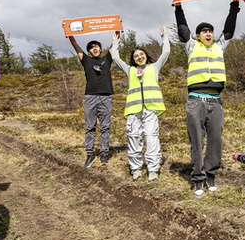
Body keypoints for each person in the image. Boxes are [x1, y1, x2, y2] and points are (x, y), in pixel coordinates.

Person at [175, 0, 241, 196]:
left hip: (215, 101)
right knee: (197, 141)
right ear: (197, 36)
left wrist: (234, 5)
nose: (208, 33)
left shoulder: (219, 47)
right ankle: (197, 179)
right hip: (196, 101)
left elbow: (229, 29)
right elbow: (182, 27)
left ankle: (210, 175)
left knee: (215, 141)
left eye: (210, 31)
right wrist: (178, 6)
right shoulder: (191, 46)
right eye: (204, 31)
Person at [110, 27, 171, 181]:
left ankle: (153, 170)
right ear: (133, 59)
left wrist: (164, 36)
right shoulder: (130, 70)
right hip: (133, 112)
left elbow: (166, 53)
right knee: (134, 139)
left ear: (146, 56)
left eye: (141, 54)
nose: (139, 57)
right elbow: (116, 58)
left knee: (151, 140)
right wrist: (115, 42)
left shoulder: (154, 68)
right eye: (136, 56)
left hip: (150, 111)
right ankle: (136, 169)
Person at [68, 35, 115, 167]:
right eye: (91, 48)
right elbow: (75, 45)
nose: (94, 49)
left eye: (96, 46)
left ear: (100, 49)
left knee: (105, 127)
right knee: (90, 127)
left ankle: (104, 154)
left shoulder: (107, 59)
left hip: (105, 97)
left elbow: (115, 44)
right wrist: (69, 34)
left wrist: (118, 29)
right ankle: (90, 154)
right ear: (89, 51)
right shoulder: (86, 61)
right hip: (90, 97)